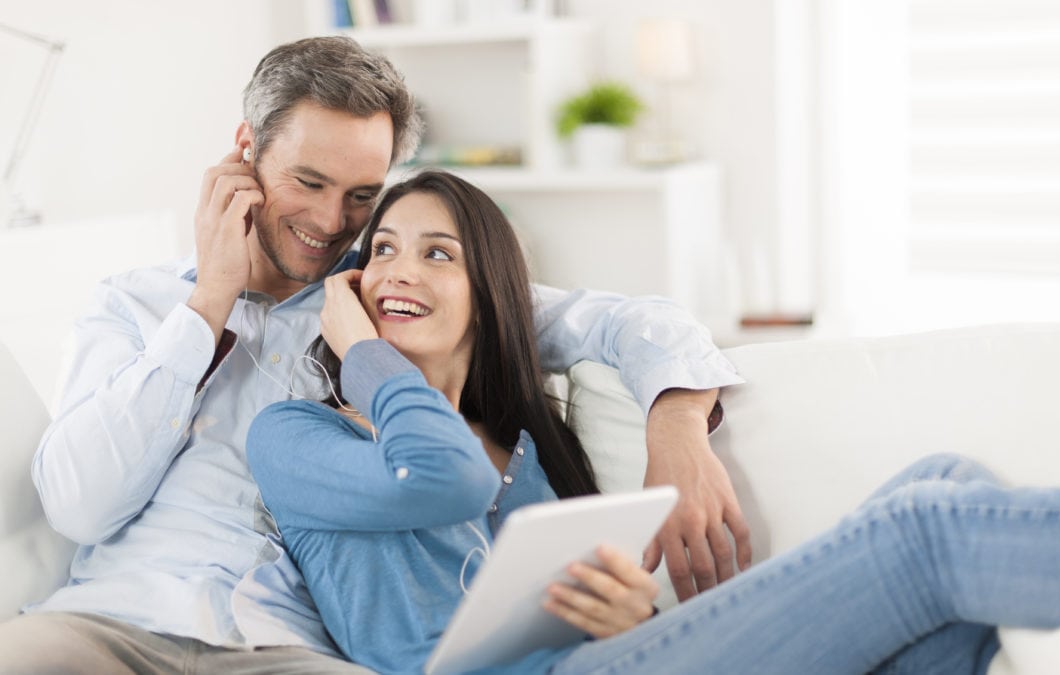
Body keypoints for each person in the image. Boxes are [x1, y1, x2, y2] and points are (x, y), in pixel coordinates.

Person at [0, 36, 745, 672]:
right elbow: (78, 506)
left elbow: (636, 322)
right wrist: (209, 304)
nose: (331, 222)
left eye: (361, 195)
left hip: (280, 646)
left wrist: (678, 430)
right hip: (104, 626)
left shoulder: (389, 299)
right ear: (246, 152)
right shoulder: (137, 305)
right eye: (309, 182)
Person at [248, 169, 1060, 675]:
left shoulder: (526, 444)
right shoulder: (295, 436)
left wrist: (627, 615)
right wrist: (362, 353)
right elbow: (441, 473)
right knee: (926, 532)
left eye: (438, 253)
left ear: (491, 297)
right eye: (382, 250)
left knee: (945, 478)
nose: (398, 269)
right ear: (349, 290)